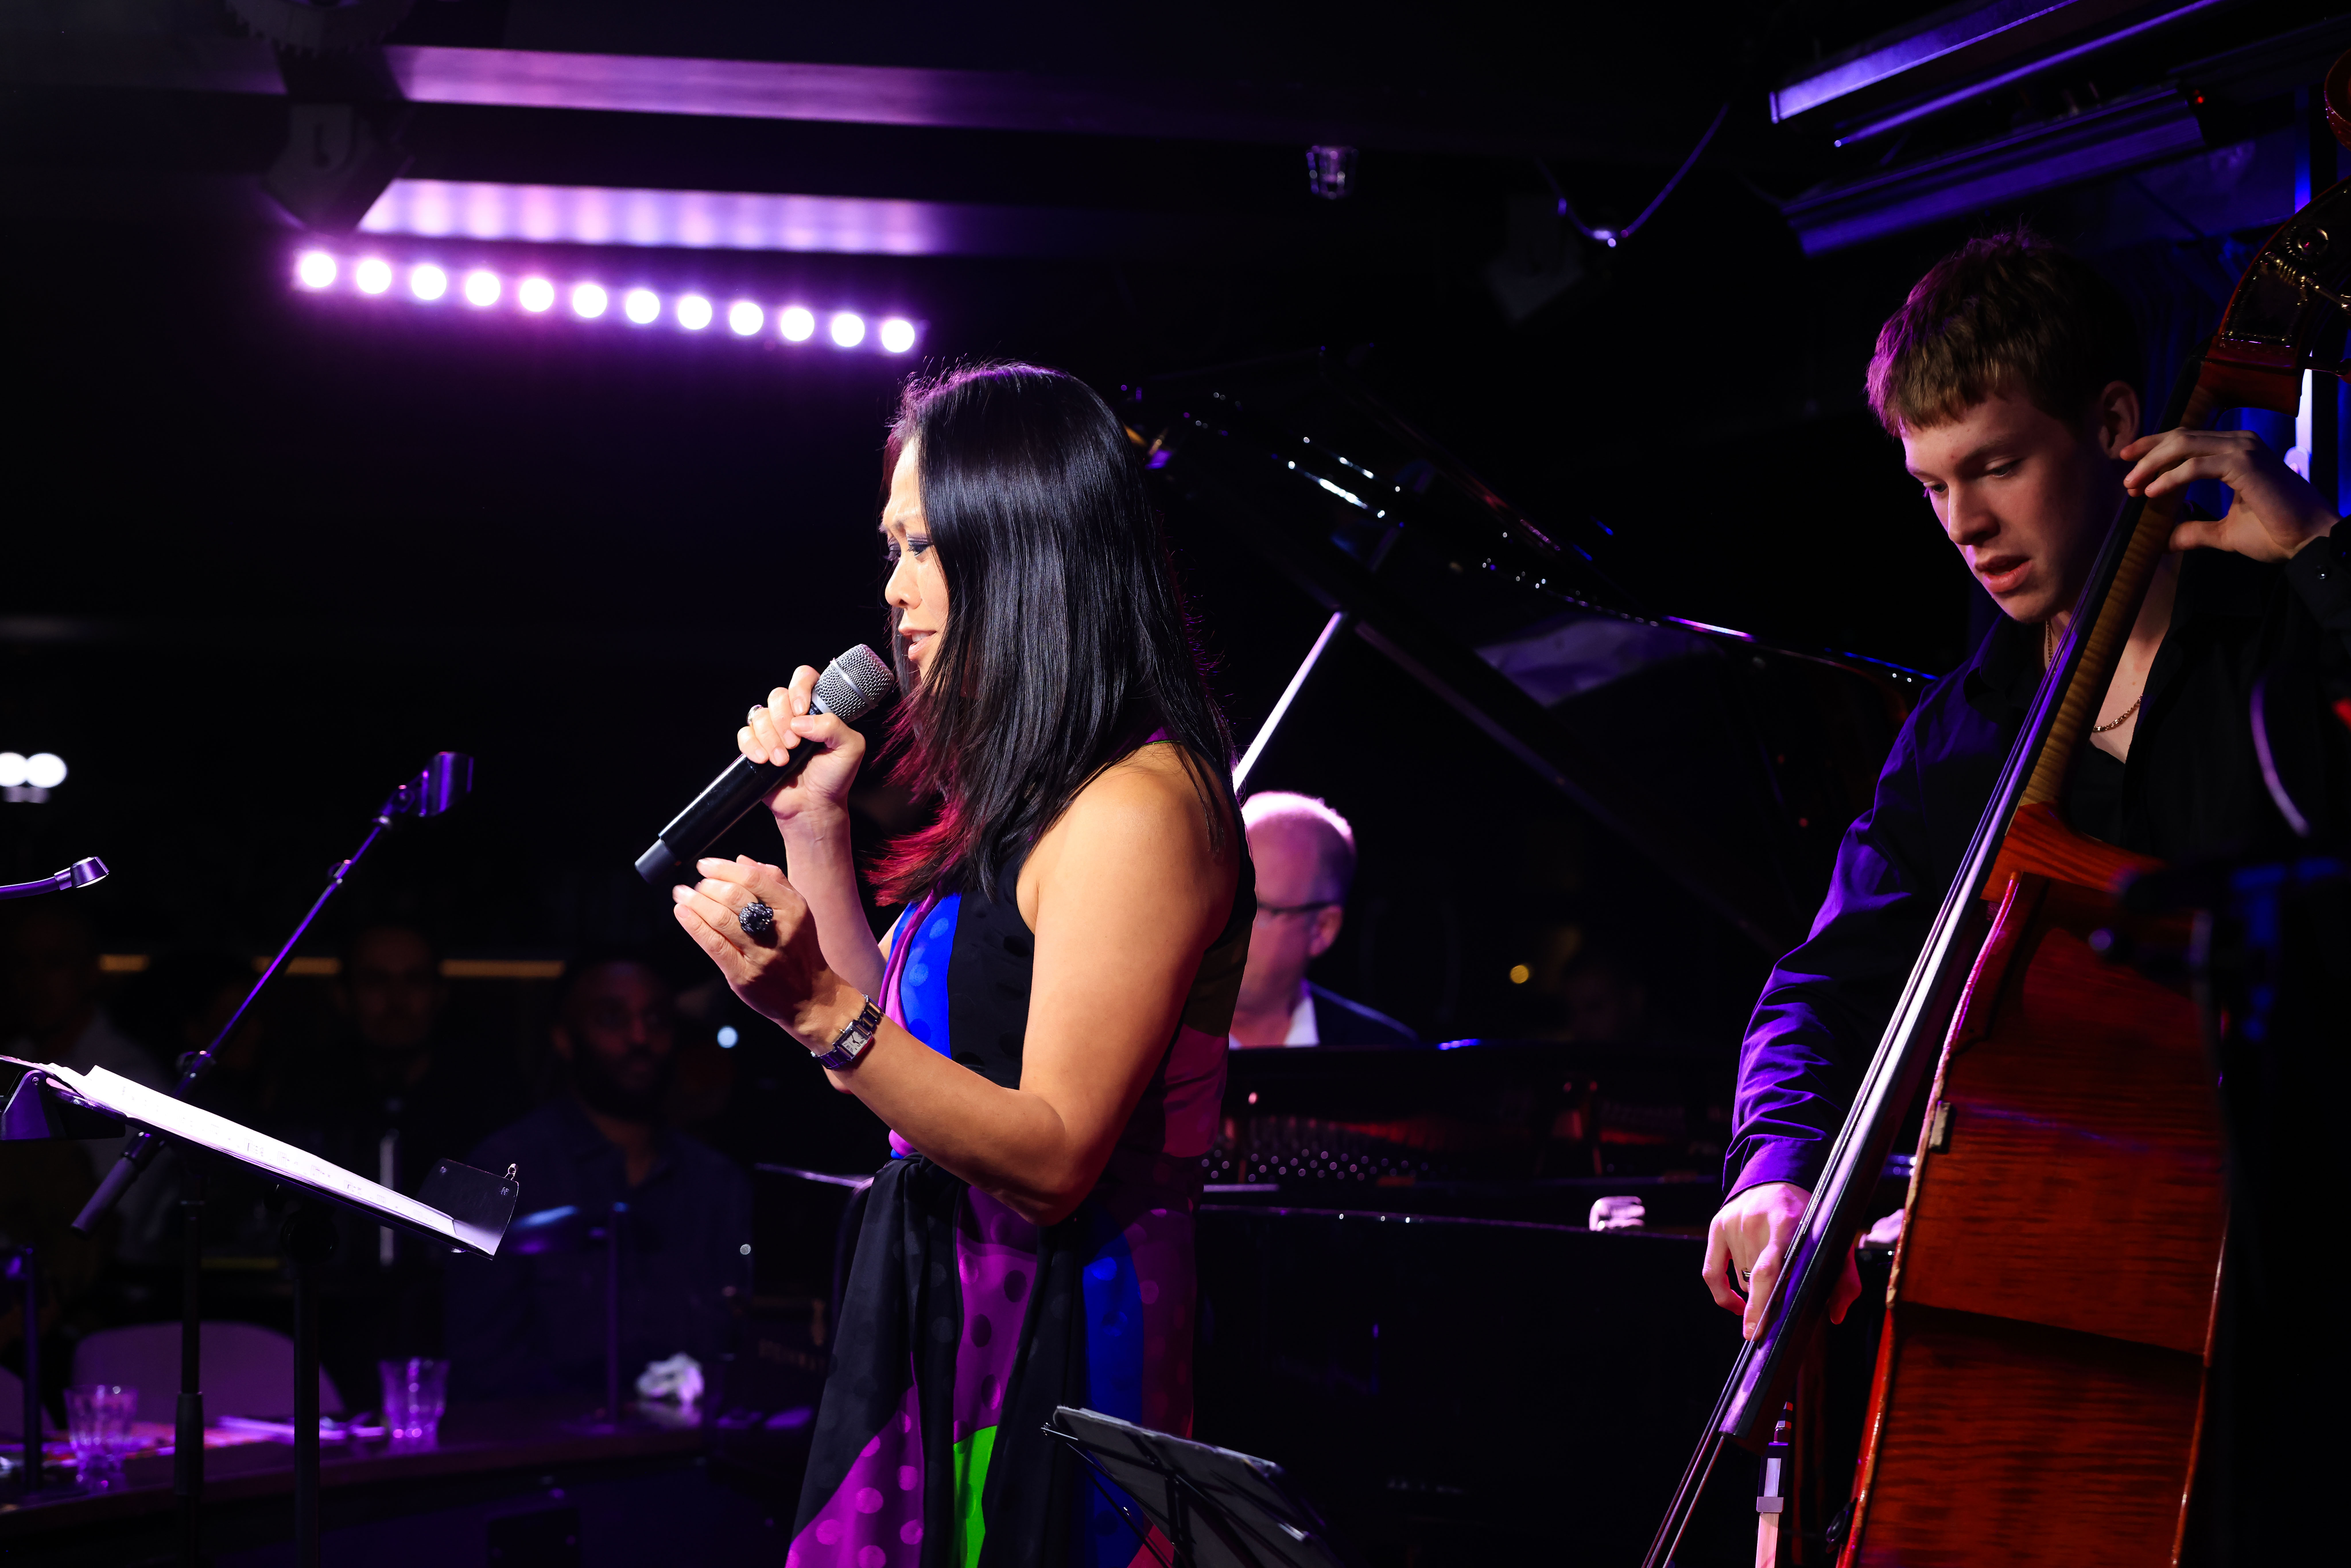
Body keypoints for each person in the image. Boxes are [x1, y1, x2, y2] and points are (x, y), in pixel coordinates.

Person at [1703, 230, 2351, 1339]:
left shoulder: (2290, 633)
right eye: (1932, 485)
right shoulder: (1957, 740)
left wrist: (2325, 551)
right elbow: (1825, 986)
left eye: (1996, 466)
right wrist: (1777, 1167)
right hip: (2103, 1305)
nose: (1962, 524)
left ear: (2111, 424)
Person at [668, 364, 1251, 1566]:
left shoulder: (1140, 809)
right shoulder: (1028, 801)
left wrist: (819, 1009)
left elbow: (1052, 1156)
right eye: (892, 549)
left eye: (923, 547)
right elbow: (904, 1065)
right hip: (954, 1302)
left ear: (1023, 546)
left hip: (1066, 1331)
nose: (893, 592)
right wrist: (815, 825)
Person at [444, 956, 750, 1400]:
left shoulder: (717, 1182)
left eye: (656, 1020)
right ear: (564, 1039)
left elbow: (739, 1341)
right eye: (612, 1019)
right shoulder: (496, 1170)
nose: (640, 1038)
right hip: (542, 1437)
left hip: (690, 1438)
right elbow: (477, 1359)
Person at [1227, 792, 1415, 1047]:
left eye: (1255, 907)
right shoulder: (1167, 1047)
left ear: (1322, 929)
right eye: (1219, 895)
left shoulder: (1388, 1056)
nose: (1222, 922)